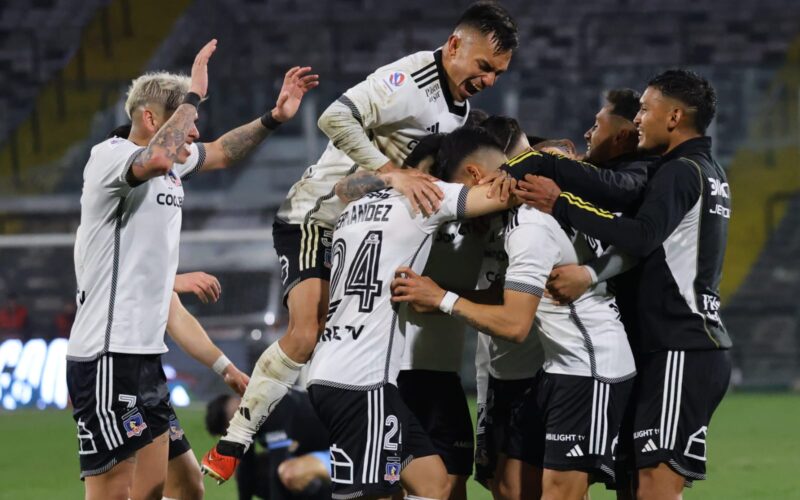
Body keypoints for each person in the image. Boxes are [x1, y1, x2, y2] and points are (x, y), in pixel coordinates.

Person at [203, 1, 519, 485]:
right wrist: (392, 173)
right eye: (484, 66)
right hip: (315, 216)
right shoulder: (409, 80)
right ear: (455, 44)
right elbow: (334, 117)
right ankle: (236, 440)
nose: (490, 79)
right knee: (307, 333)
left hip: (361, 223)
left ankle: (351, 443)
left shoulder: (461, 110)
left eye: (498, 72)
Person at [65, 38, 317, 500]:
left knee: (183, 485)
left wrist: (274, 119)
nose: (195, 133)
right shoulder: (112, 158)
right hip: (107, 357)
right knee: (117, 493)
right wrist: (194, 93)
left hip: (143, 360)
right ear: (150, 119)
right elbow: (158, 154)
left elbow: (222, 151)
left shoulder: (173, 167)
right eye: (188, 120)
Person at [514, 69, 732, 499]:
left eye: (646, 110)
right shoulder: (705, 170)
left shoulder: (681, 170)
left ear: (673, 116)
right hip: (676, 344)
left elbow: (641, 236)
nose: (638, 121)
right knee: (634, 485)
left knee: (654, 490)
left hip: (679, 346)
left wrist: (561, 204)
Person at [392, 151, 637, 500]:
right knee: (512, 486)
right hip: (557, 368)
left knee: (560, 494)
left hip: (590, 366)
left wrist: (442, 299)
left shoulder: (530, 227)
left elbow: (515, 325)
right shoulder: (524, 219)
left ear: (478, 175)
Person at [304, 127, 517, 499]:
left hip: (346, 369)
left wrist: (387, 175)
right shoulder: (429, 199)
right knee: (373, 495)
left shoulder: (353, 208)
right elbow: (501, 192)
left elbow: (339, 190)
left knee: (433, 485)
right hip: (361, 378)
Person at [205, 391, 331, 499]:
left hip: (339, 451)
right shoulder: (250, 414)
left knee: (289, 473)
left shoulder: (273, 408)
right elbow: (246, 468)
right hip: (309, 453)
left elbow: (277, 469)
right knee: (252, 472)